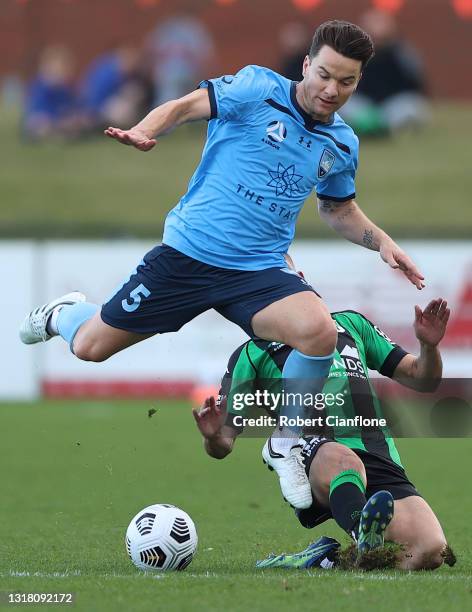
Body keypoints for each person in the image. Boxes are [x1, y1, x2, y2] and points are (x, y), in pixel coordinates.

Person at [20, 20, 425, 511]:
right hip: (188, 256)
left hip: (258, 271)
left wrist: (381, 242)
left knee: (319, 332)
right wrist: (145, 131)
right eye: (324, 75)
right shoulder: (258, 87)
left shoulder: (341, 144)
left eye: (347, 81)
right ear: (306, 65)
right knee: (90, 347)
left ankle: (288, 440)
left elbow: (337, 209)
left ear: (359, 81)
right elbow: (186, 105)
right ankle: (64, 313)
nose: (331, 90)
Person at [193, 289, 451, 570]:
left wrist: (428, 347)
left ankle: (326, 559)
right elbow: (224, 444)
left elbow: (422, 379)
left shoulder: (352, 325)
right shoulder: (252, 353)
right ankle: (361, 533)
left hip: (377, 455)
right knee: (343, 461)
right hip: (315, 457)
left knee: (430, 551)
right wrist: (213, 436)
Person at [339, 9, 430, 136]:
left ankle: (383, 128)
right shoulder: (350, 53)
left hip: (392, 105)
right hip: (364, 105)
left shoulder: (403, 53)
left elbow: (416, 86)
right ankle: (366, 126)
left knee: (413, 106)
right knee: (343, 103)